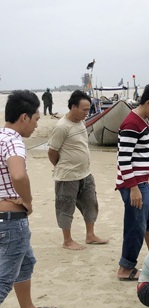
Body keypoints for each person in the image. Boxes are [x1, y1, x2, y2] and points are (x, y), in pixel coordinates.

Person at [0, 90, 59, 308]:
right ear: (24, 117)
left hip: (4, 219)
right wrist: (28, 200)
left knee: (25, 262)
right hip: (10, 221)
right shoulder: (13, 141)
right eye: (35, 118)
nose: (37, 124)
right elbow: (18, 174)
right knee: (2, 282)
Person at [116, 82, 149, 280]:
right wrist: (133, 188)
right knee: (135, 226)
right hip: (134, 185)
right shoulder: (132, 123)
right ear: (148, 102)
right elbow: (123, 158)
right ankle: (125, 268)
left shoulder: (143, 120)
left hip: (141, 183)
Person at [47, 90, 107, 250]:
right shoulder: (62, 126)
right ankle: (67, 241)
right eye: (84, 109)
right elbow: (52, 152)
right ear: (73, 107)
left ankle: (90, 235)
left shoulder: (80, 122)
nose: (87, 113)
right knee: (65, 207)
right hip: (67, 176)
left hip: (85, 173)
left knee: (91, 203)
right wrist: (62, 165)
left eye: (89, 109)